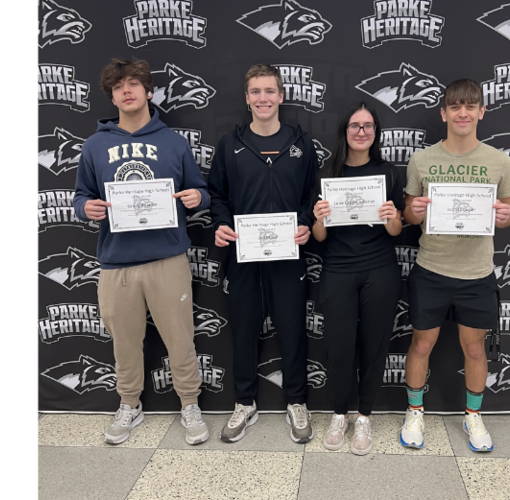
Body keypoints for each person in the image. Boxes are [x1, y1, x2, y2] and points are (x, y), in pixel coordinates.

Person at [73, 58, 211, 446]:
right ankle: (129, 403)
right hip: (116, 262)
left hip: (167, 258)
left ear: (149, 91)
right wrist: (86, 208)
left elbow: (201, 191)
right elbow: (81, 196)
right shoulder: (95, 145)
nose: (126, 91)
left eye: (133, 83)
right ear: (112, 96)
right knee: (124, 342)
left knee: (180, 338)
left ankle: (189, 403)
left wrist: (196, 197)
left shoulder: (173, 142)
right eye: (118, 86)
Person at [398, 79, 510, 452]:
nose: (462, 113)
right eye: (455, 106)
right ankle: (414, 411)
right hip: (431, 270)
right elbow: (408, 214)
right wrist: (414, 212)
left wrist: (506, 217)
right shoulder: (422, 160)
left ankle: (473, 415)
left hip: (477, 274)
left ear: (482, 111)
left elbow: (508, 212)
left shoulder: (499, 161)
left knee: (475, 349)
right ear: (444, 113)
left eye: (470, 106)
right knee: (421, 344)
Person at [207, 64, 319, 444]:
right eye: (255, 91)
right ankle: (244, 403)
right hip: (244, 255)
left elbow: (312, 196)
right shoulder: (230, 144)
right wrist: (221, 223)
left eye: (270, 91)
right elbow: (217, 195)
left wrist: (305, 222)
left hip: (288, 255)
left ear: (281, 96)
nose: (263, 98)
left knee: (293, 330)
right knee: (243, 330)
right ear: (246, 98)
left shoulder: (301, 144)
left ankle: (297, 402)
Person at [310, 103, 405, 455]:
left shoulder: (389, 173)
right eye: (355, 126)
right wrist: (319, 218)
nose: (361, 132)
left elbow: (396, 231)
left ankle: (364, 416)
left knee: (374, 346)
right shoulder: (326, 174)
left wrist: (392, 216)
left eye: (368, 126)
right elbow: (319, 237)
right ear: (344, 131)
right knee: (339, 348)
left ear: (376, 132)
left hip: (380, 268)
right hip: (338, 269)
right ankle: (340, 413)